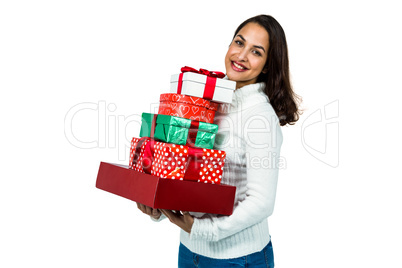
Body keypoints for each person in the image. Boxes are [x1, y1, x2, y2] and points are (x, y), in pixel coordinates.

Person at [137, 14, 301, 267]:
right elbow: (181, 171)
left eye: (256, 51)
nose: (241, 56)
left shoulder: (260, 117)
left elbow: (261, 203)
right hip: (189, 250)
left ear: (268, 65)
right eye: (239, 43)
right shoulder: (204, 101)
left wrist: (204, 231)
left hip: (237, 258)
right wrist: (158, 206)